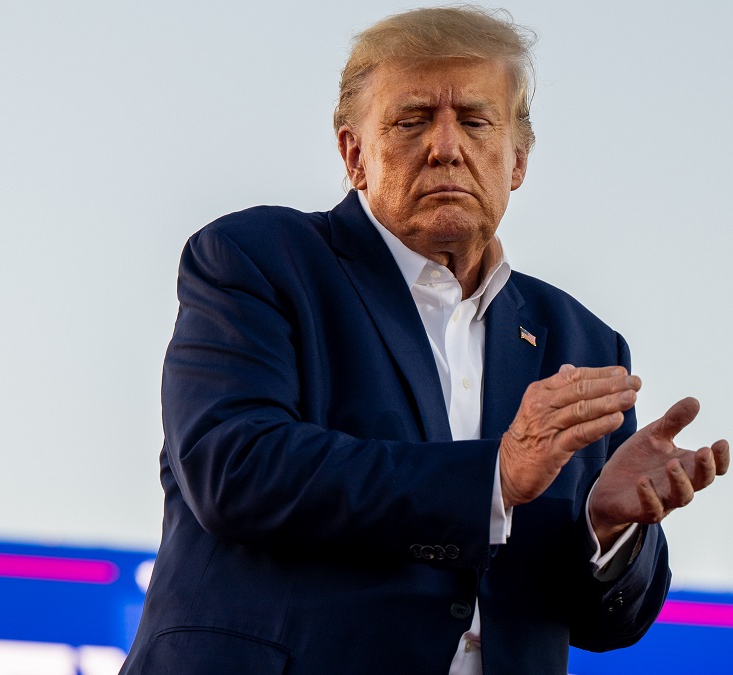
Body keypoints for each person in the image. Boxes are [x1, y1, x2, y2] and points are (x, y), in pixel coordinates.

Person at [118, 6, 728, 674]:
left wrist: (609, 530)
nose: (444, 146)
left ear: (517, 160)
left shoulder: (582, 341)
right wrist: (492, 477)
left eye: (474, 120)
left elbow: (610, 622)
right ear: (355, 154)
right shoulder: (255, 259)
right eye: (412, 121)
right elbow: (234, 466)